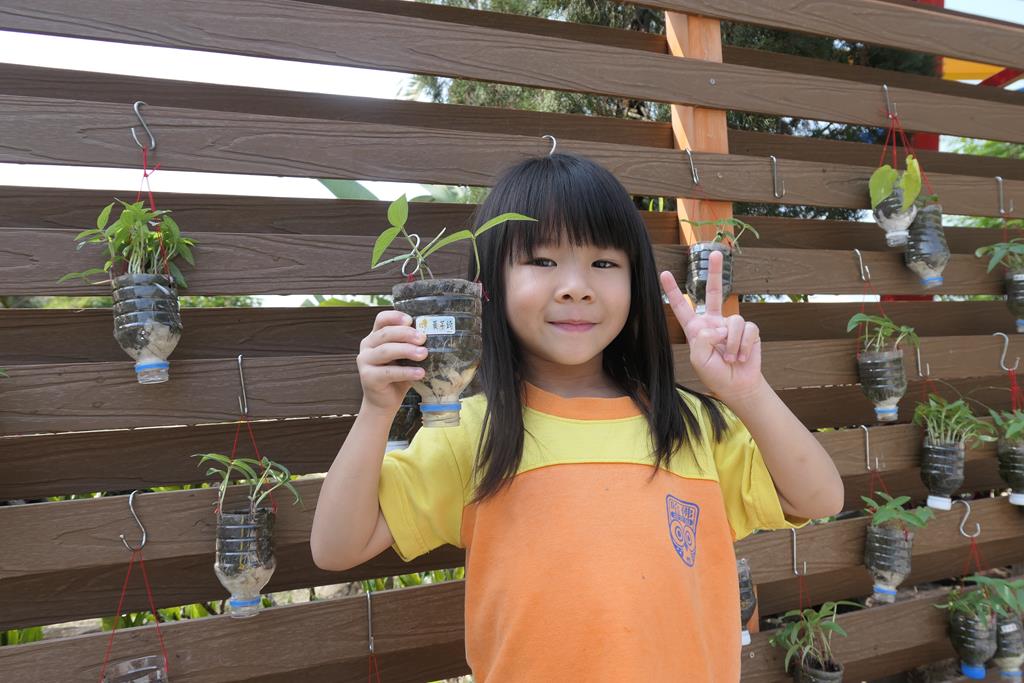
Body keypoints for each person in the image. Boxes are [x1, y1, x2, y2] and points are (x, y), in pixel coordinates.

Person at [310, 152, 844, 681]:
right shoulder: (473, 433)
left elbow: (819, 498)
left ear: (635, 284)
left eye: (604, 263)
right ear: (488, 286)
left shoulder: (689, 424)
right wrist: (377, 410)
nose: (575, 286)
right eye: (542, 261)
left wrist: (747, 392)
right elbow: (336, 547)